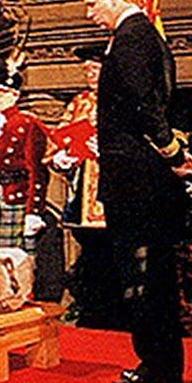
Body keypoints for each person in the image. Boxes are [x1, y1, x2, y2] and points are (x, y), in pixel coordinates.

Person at [82, 0, 192, 383]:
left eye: (93, 3)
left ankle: (156, 366)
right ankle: (161, 363)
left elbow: (145, 105)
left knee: (143, 275)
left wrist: (173, 152)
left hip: (135, 177)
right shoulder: (143, 35)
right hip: (140, 174)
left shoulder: (131, 38)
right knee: (151, 274)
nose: (90, 14)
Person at [48, 44, 121, 328]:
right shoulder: (79, 102)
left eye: (95, 69)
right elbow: (59, 139)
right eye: (86, 70)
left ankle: (118, 319)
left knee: (117, 257)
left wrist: (109, 150)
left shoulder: (123, 100)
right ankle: (92, 315)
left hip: (116, 192)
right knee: (91, 257)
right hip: (83, 196)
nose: (89, 74)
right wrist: (61, 158)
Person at [0, 66, 49, 252]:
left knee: (14, 256)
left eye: (2, 92)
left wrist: (33, 211)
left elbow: (37, 170)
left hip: (14, 196)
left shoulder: (27, 123)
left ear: (15, 95)